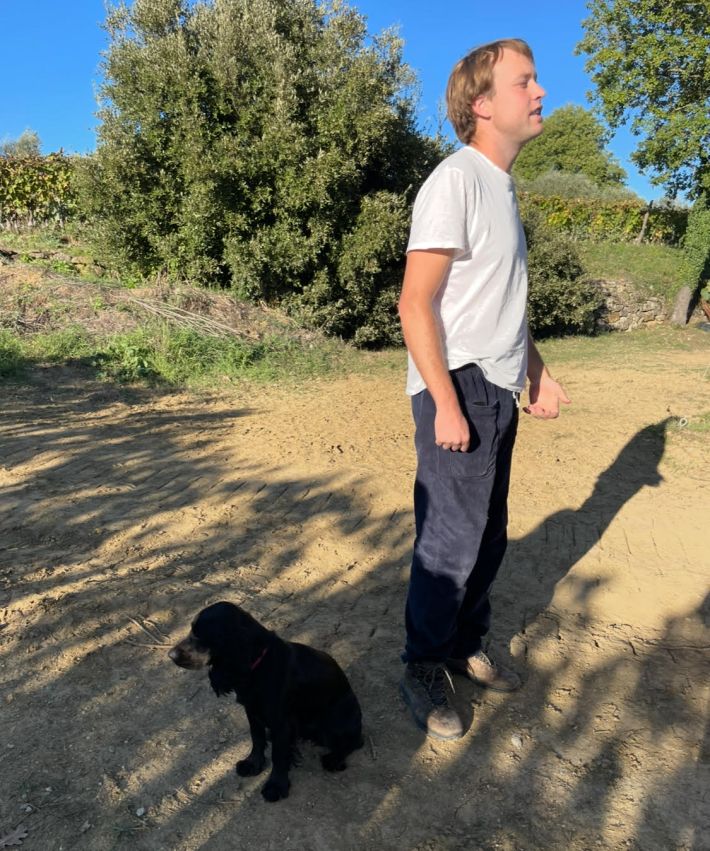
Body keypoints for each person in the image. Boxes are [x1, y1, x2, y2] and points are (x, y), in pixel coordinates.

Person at [397, 38, 570, 740]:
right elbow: (416, 302)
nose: (540, 93)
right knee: (448, 541)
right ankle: (420, 664)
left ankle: (467, 643)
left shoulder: (501, 189)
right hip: (459, 385)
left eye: (536, 81)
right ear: (482, 103)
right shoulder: (456, 180)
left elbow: (501, 303)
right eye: (524, 82)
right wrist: (443, 400)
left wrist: (536, 368)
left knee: (488, 534)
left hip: (498, 387)